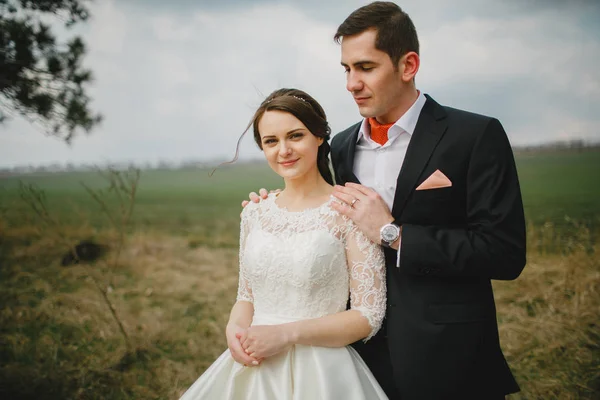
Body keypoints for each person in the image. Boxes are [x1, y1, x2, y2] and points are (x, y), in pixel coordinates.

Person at [246, 2, 527, 399]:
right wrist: (272, 210)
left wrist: (394, 234)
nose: (351, 83)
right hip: (356, 360)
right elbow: (322, 222)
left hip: (449, 358)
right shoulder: (340, 147)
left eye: (365, 67)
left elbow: (504, 253)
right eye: (346, 69)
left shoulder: (474, 136)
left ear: (408, 65)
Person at [179, 88, 389, 399]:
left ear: (319, 136)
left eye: (295, 136)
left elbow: (367, 314)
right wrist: (234, 332)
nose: (284, 150)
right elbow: (246, 296)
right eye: (271, 141)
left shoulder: (349, 212)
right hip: (256, 366)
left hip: (321, 371)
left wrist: (287, 335)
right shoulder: (254, 212)